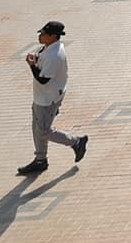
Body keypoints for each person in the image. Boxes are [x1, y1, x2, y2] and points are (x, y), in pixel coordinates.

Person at [19, 20, 86, 174]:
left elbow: (43, 80)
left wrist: (32, 65)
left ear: (54, 36)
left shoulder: (54, 55)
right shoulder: (49, 48)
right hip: (42, 96)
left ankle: (76, 142)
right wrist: (36, 61)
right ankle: (40, 160)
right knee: (37, 128)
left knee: (43, 131)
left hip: (48, 99)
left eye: (44, 34)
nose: (40, 36)